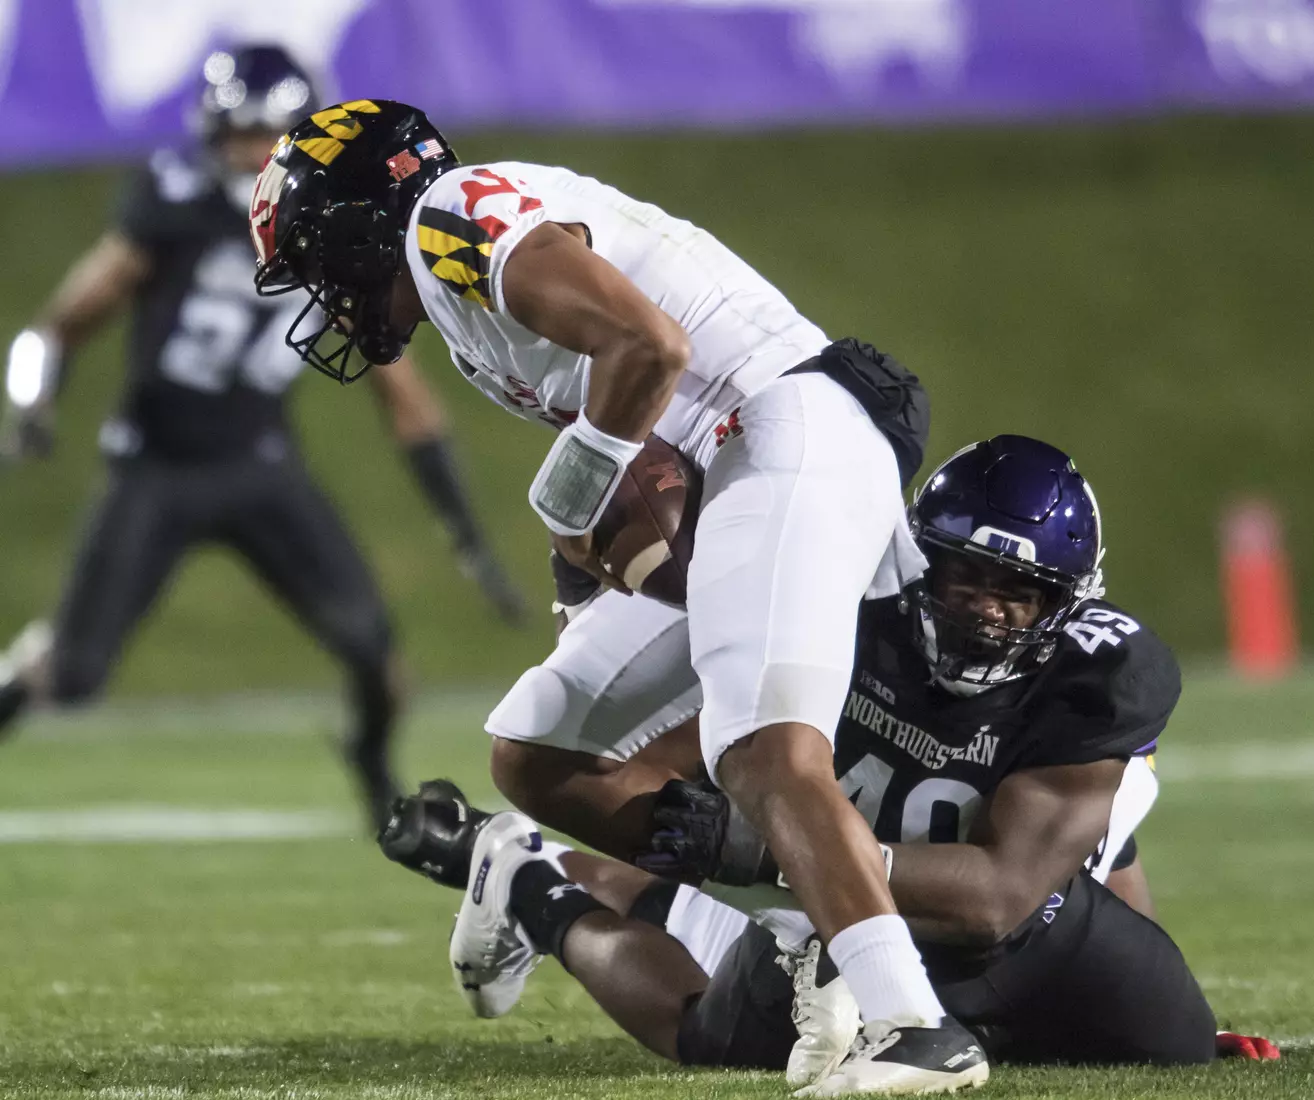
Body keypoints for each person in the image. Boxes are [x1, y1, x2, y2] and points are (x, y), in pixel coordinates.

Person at [254, 98, 989, 1094]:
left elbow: (646, 347)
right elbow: (633, 446)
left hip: (781, 423)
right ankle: (805, 929)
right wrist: (591, 566)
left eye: (312, 252)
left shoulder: (447, 216)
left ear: (357, 216)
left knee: (767, 749)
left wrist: (570, 487)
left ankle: (914, 1022)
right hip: (739, 458)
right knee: (540, 750)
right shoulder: (460, 293)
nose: (319, 290)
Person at [380, 436, 1227, 1082]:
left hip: (1030, 934)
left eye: (1017, 591)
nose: (986, 611)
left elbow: (1012, 891)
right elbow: (692, 751)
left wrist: (781, 853)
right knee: (701, 1030)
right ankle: (538, 891)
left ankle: (530, 864)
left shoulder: (1104, 674)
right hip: (830, 926)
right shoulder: (847, 601)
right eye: (963, 577)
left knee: (1186, 1053)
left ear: (1068, 601)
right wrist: (743, 839)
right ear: (917, 561)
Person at [0, 52, 523, 830]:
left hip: (260, 464)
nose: (252, 155)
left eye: (267, 135)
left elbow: (401, 391)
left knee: (374, 649)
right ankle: (23, 675)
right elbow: (63, 320)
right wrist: (31, 402)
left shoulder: (336, 218)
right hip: (156, 464)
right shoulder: (174, 203)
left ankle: (373, 765)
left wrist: (462, 528)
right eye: (239, 136)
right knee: (73, 676)